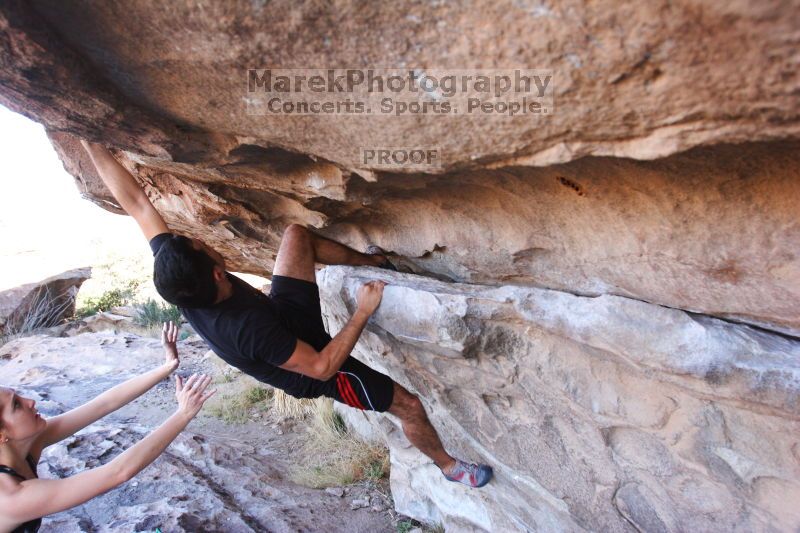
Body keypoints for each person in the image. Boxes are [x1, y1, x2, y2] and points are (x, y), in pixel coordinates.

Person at [80, 141, 493, 488]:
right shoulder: (246, 330)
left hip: (280, 316)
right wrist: (363, 311)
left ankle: (376, 264)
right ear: (219, 273)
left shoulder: (181, 275)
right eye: (200, 244)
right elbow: (320, 366)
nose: (198, 240)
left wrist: (87, 140)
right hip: (312, 367)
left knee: (297, 236)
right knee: (408, 404)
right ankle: (449, 467)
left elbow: (135, 203)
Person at [0, 322, 215, 532]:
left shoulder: (27, 444)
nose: (30, 402)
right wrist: (183, 414)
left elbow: (103, 404)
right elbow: (118, 472)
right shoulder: (11, 498)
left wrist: (167, 366)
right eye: (16, 405)